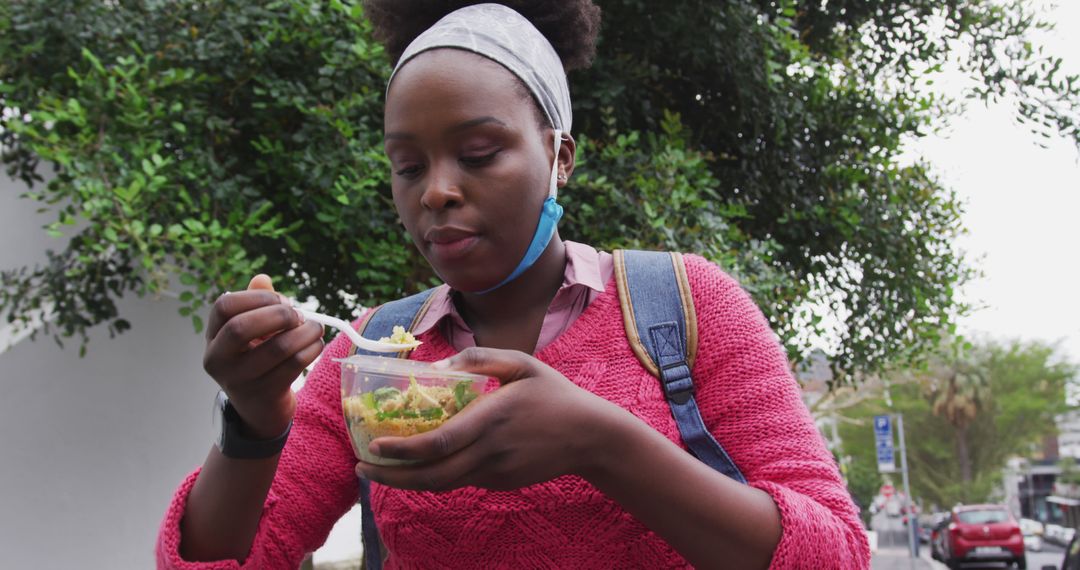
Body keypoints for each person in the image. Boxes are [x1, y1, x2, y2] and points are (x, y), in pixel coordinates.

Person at [156, 2, 871, 568]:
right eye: (407, 166)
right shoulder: (374, 357)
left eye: (478, 153)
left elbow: (836, 554)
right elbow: (225, 560)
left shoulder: (683, 307)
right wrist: (252, 424)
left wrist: (604, 443)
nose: (435, 192)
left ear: (559, 156)